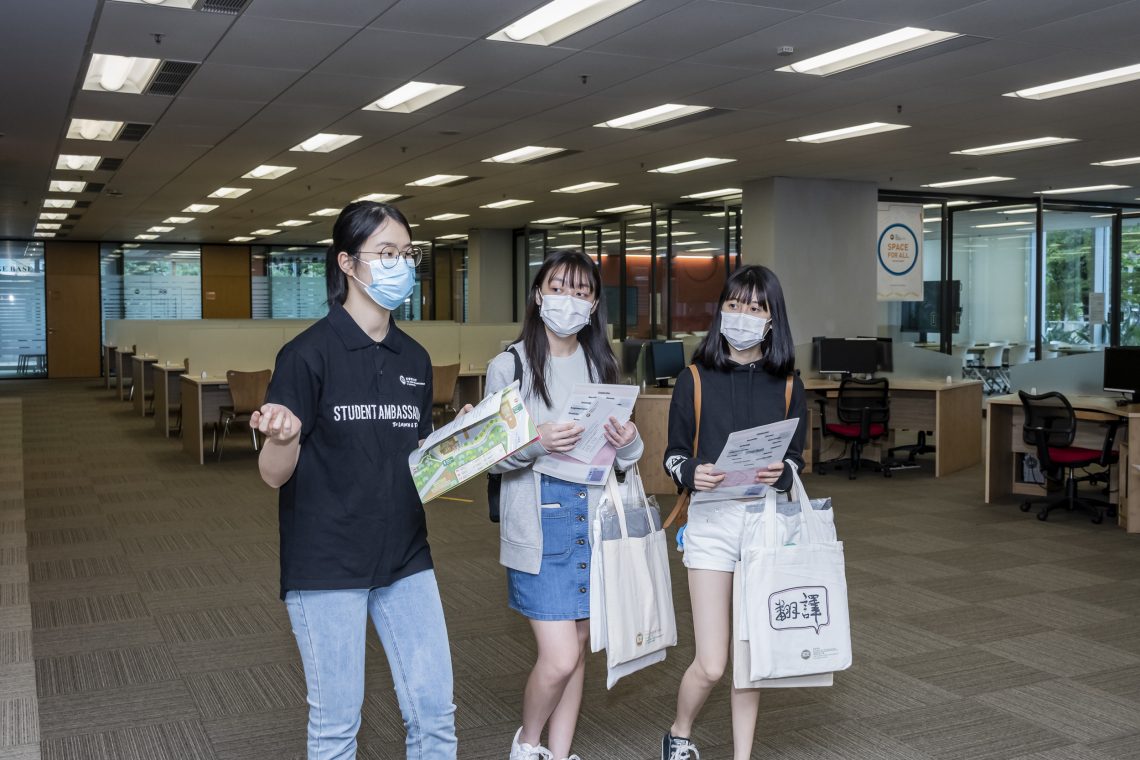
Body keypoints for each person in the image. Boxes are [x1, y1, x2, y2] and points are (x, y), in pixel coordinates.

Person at [251, 201, 457, 760]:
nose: (400, 266)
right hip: (327, 562)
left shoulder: (414, 357)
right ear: (346, 263)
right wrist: (283, 437)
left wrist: (457, 449)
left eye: (407, 255)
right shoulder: (306, 355)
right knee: (338, 725)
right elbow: (274, 477)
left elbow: (413, 462)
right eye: (385, 254)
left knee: (435, 714)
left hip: (405, 556)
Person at [485, 251, 644, 760]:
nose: (569, 301)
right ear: (538, 294)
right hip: (540, 518)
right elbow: (490, 460)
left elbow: (624, 458)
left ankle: (560, 751)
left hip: (593, 516)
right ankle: (527, 744)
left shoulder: (603, 363)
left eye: (581, 292)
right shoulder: (508, 365)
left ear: (595, 303)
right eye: (559, 288)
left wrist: (631, 441)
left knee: (577, 651)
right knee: (556, 658)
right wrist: (538, 441)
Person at [660, 265, 807, 760]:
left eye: (756, 306)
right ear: (721, 309)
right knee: (713, 662)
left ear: (772, 318)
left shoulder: (787, 384)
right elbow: (674, 454)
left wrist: (781, 472)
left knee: (752, 659)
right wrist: (691, 473)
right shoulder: (694, 379)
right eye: (735, 303)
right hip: (712, 525)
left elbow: (797, 460)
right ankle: (680, 732)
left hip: (765, 523)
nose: (743, 314)